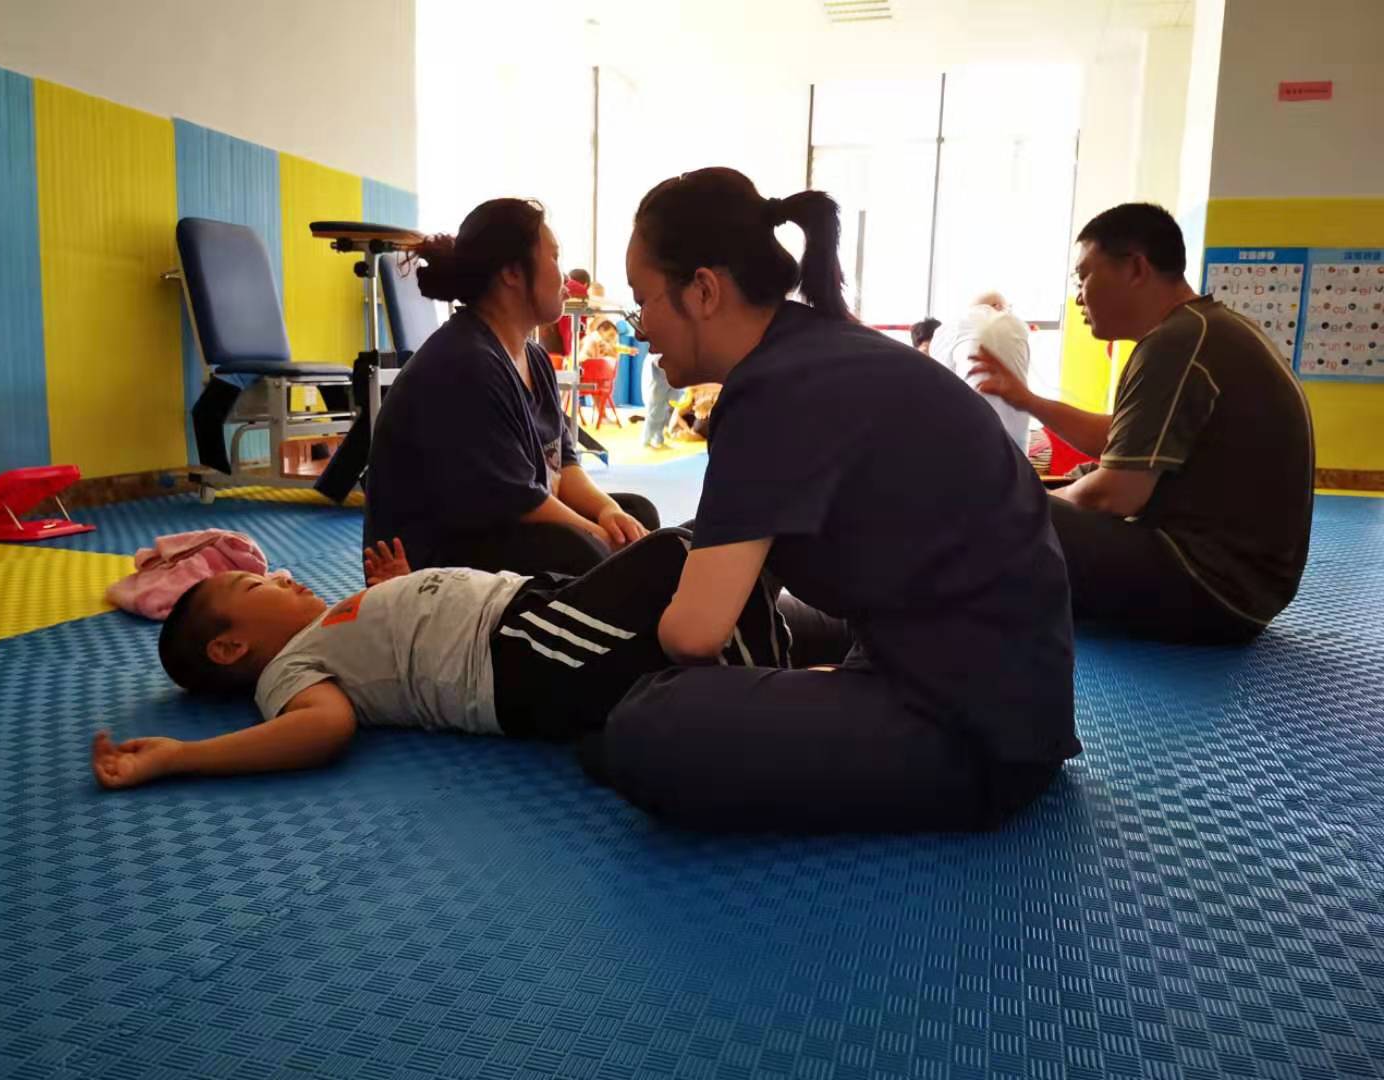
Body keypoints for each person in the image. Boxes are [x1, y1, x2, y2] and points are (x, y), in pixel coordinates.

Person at [583, 166, 1078, 833]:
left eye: (642, 300)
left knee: (650, 723)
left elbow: (692, 634)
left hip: (972, 728)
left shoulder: (771, 394)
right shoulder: (813, 352)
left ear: (702, 290)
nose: (640, 328)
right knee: (775, 622)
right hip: (998, 678)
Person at [91, 529, 787, 791]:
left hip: (537, 617)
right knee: (679, 555)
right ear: (230, 647)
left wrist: (392, 591)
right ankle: (778, 691)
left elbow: (396, 643)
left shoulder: (331, 623)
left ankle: (776, 662)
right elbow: (322, 728)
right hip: (519, 654)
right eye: (257, 588)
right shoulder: (288, 672)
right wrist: (184, 756)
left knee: (691, 600)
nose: (280, 576)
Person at [968, 203, 1315, 643]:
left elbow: (1114, 496)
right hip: (1244, 591)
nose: (1078, 298)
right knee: (1035, 494)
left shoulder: (1177, 342)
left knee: (990, 503)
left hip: (1211, 586)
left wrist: (1032, 502)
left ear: (1135, 267)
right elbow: (1122, 438)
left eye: (1083, 277)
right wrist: (1027, 400)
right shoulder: (1207, 328)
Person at [364, 199, 659, 578]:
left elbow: (564, 464)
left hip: (502, 526)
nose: (565, 279)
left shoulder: (533, 358)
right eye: (554, 258)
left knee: (635, 515)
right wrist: (602, 538)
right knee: (581, 547)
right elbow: (519, 501)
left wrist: (608, 512)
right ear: (512, 273)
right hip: (428, 562)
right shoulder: (466, 363)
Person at [931, 292, 1032, 452]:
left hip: (968, 432)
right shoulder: (1017, 327)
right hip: (1015, 434)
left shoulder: (951, 329)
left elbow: (940, 382)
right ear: (998, 306)